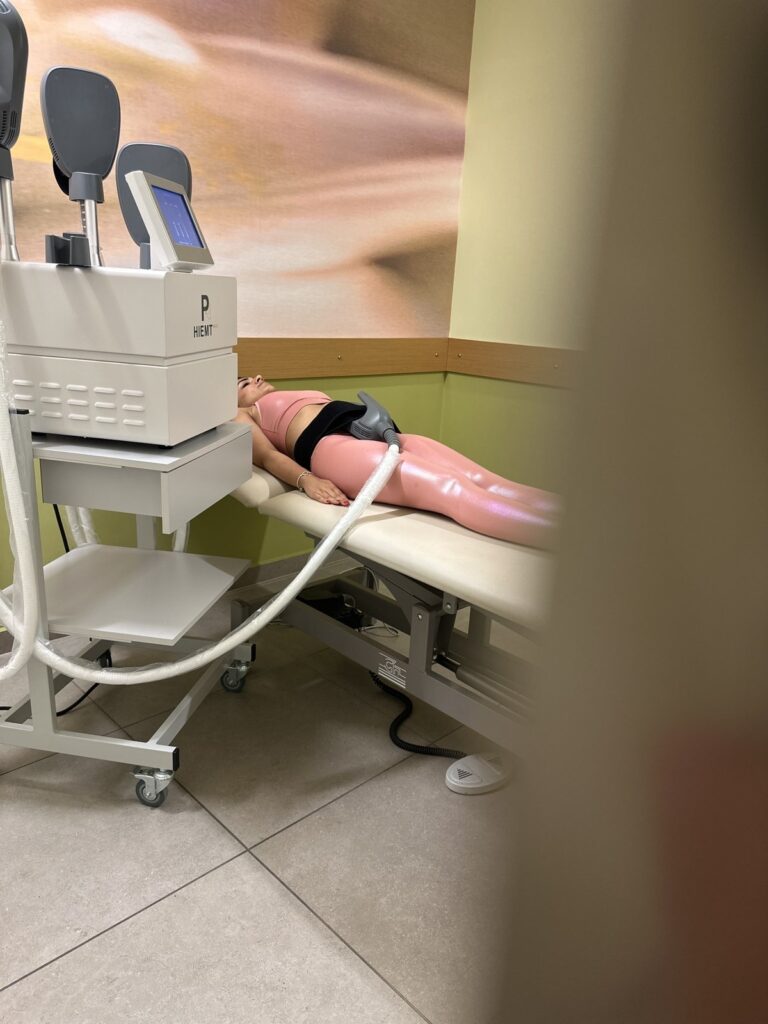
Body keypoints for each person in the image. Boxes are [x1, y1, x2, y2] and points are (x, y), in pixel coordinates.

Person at [234, 376, 558, 548]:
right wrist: (307, 480)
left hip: (370, 428)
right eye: (244, 383)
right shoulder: (241, 413)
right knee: (451, 487)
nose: (257, 377)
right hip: (329, 447)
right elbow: (269, 457)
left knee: (486, 480)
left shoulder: (286, 394)